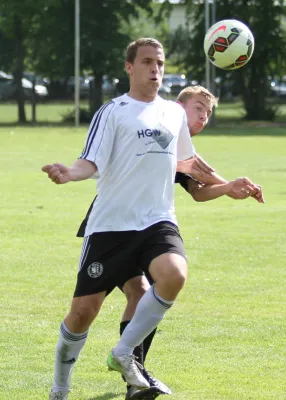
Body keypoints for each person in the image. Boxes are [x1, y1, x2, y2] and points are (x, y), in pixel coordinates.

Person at [43, 38, 262, 400]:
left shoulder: (173, 115)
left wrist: (228, 185)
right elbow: (89, 162)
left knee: (173, 274)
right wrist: (69, 172)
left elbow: (188, 166)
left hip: (157, 221)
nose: (155, 69)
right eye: (146, 62)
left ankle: (124, 354)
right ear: (129, 67)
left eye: (159, 63)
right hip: (111, 226)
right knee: (83, 313)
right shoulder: (113, 111)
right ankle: (60, 388)